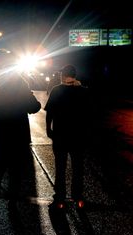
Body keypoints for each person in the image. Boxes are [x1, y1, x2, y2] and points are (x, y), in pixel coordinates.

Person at [0, 73, 41, 217]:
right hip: (19, 139)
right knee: (16, 173)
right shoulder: (23, 93)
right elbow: (36, 107)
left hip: (1, 139)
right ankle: (12, 203)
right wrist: (28, 93)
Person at [44, 64, 89, 210]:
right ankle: (78, 196)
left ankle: (60, 197)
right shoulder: (83, 91)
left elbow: (49, 112)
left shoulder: (57, 90)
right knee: (78, 167)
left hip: (60, 135)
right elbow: (90, 115)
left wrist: (48, 129)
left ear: (63, 75)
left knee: (60, 167)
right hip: (78, 136)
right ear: (75, 75)